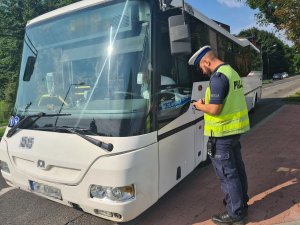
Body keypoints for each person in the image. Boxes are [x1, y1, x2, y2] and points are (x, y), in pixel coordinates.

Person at [188, 46, 250, 225]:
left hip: (222, 134)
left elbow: (215, 109)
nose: (202, 70)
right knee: (237, 171)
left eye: (201, 66)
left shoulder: (218, 78)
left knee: (227, 175)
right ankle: (241, 203)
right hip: (233, 132)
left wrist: (199, 105)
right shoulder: (232, 72)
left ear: (207, 61)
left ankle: (236, 214)